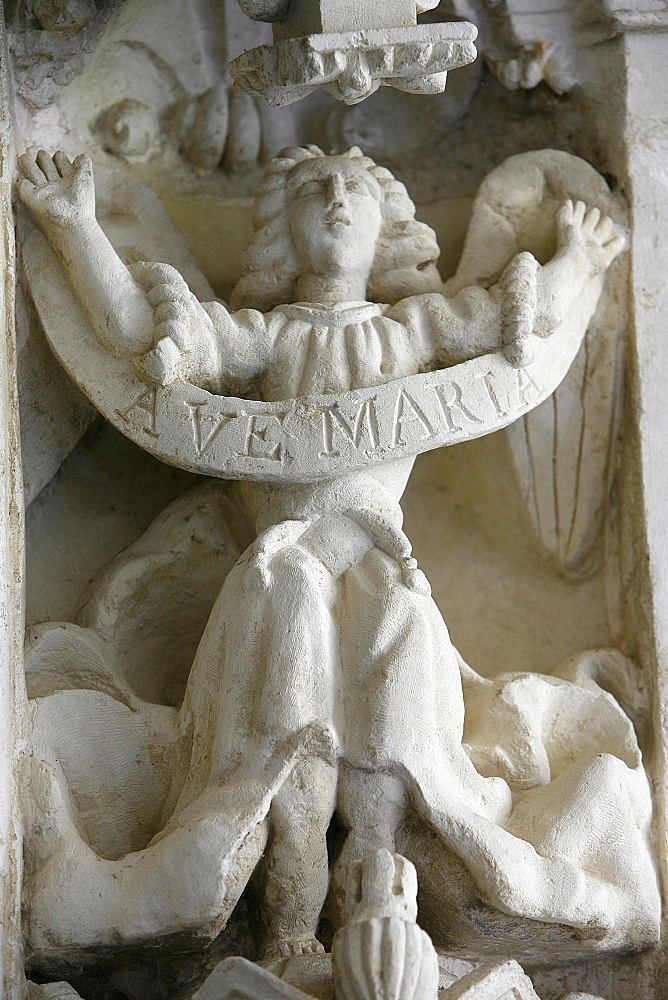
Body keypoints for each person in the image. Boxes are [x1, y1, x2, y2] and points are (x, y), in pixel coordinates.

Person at [20, 146, 657, 962]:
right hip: (284, 568)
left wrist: (579, 257)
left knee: (390, 758)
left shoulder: (413, 329)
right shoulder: (265, 339)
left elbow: (516, 320)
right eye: (313, 190)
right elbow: (143, 334)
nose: (334, 199)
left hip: (382, 568)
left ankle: (382, 912)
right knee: (290, 757)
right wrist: (75, 227)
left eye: (354, 187)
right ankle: (288, 932)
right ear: (282, 235)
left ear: (387, 227)